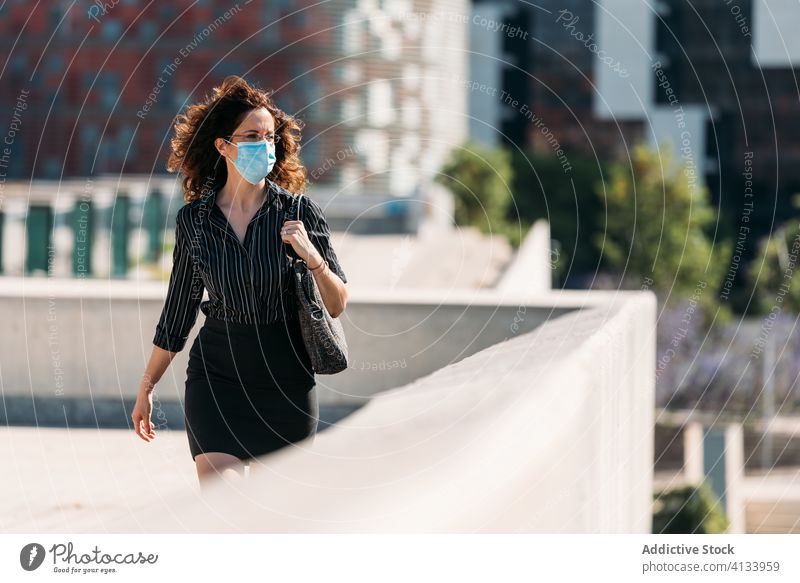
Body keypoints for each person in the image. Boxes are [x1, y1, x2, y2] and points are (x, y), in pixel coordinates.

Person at [131, 75, 348, 492]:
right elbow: (177, 314)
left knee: (273, 519)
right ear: (223, 146)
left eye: (269, 136)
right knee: (221, 509)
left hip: (286, 380)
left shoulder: (300, 212)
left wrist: (313, 257)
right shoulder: (195, 221)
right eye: (252, 136)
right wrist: (147, 387)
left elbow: (337, 304)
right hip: (217, 378)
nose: (264, 145)